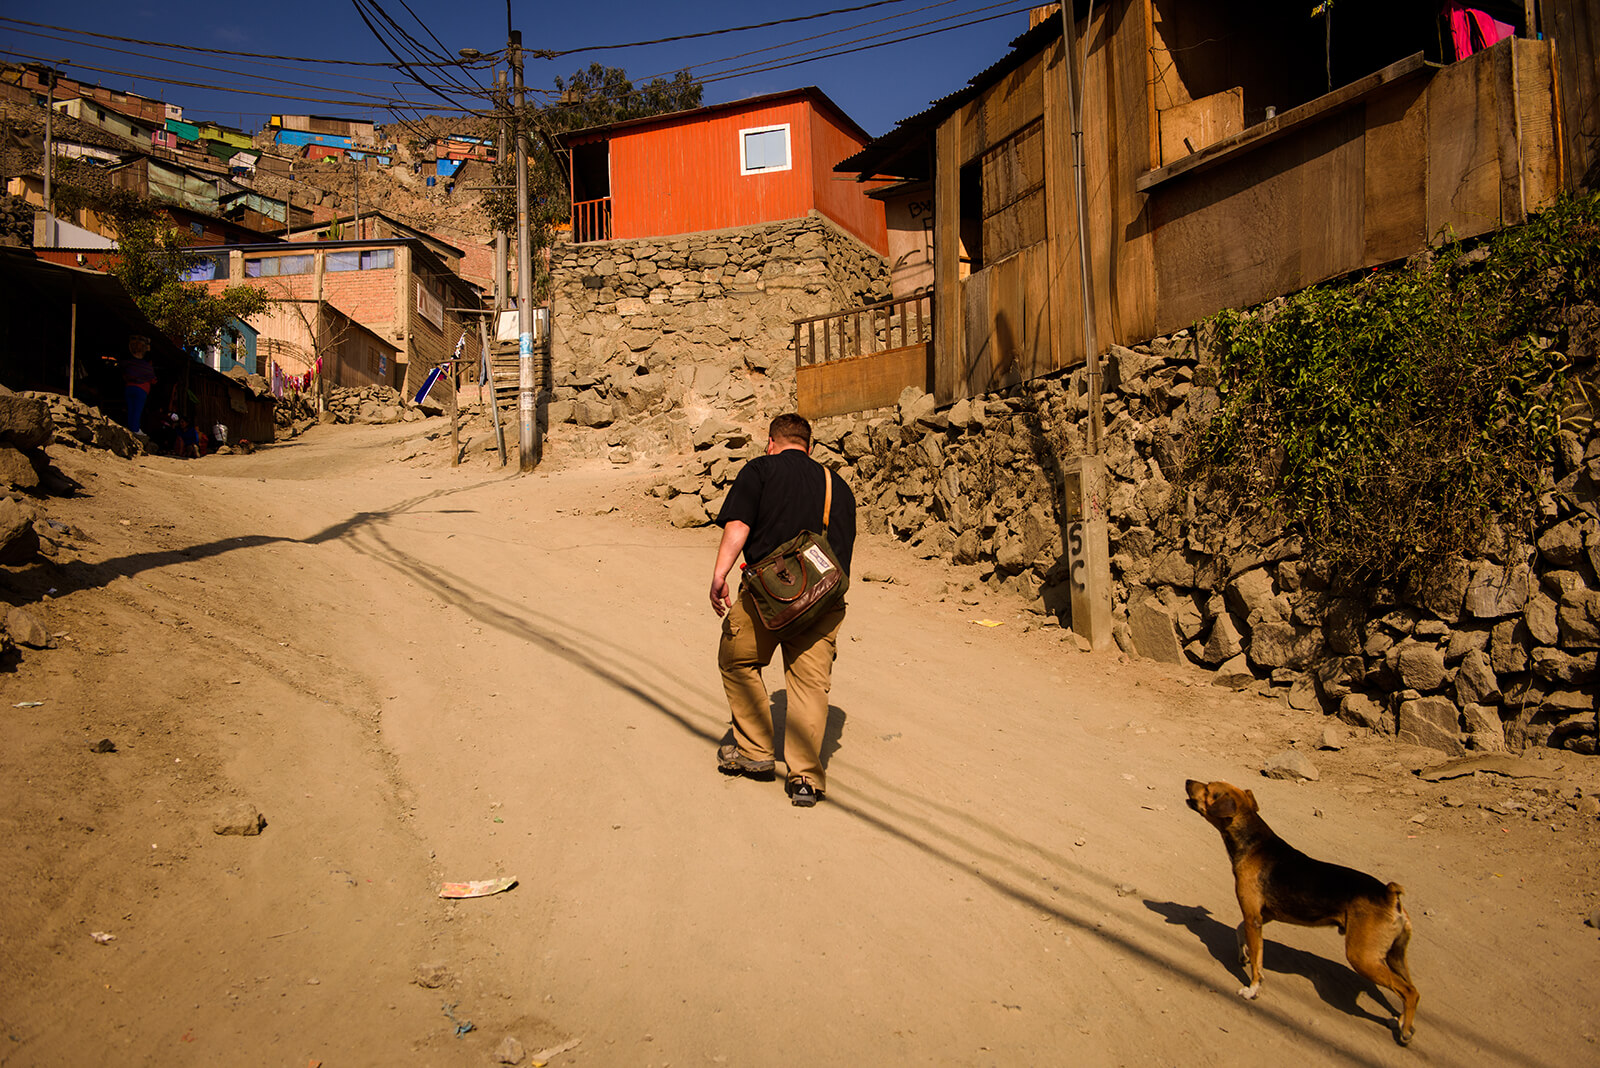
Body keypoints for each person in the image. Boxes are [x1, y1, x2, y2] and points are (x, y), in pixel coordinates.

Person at [710, 413, 857, 808]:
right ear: (810, 446)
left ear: (771, 442)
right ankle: (805, 779)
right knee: (810, 685)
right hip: (823, 603)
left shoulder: (760, 469)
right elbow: (842, 553)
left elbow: (739, 525)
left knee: (737, 659)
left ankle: (754, 750)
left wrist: (720, 574)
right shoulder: (837, 485)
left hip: (766, 599)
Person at [119, 334, 157, 435]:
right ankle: (135, 429)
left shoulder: (128, 363)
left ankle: (132, 427)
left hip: (129, 388)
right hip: (141, 390)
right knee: (137, 410)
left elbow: (125, 373)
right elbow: (153, 379)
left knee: (131, 409)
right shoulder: (147, 366)